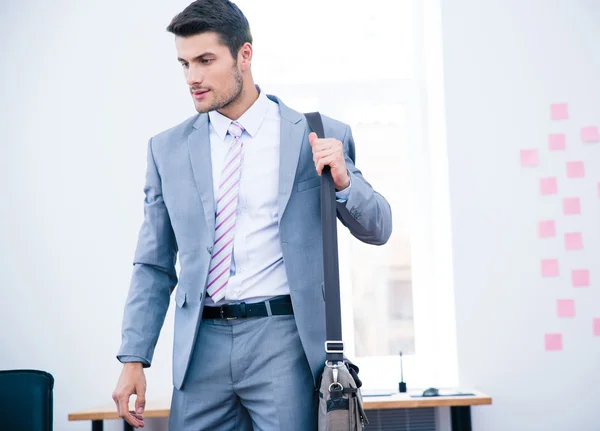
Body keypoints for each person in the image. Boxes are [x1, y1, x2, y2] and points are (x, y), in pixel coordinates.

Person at [111, 0, 392, 429]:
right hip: (199, 344)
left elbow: (379, 228)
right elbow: (153, 263)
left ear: (245, 54)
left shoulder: (316, 134)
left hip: (281, 338)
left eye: (206, 60)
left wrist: (344, 184)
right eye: (184, 64)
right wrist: (134, 357)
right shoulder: (166, 150)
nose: (193, 78)